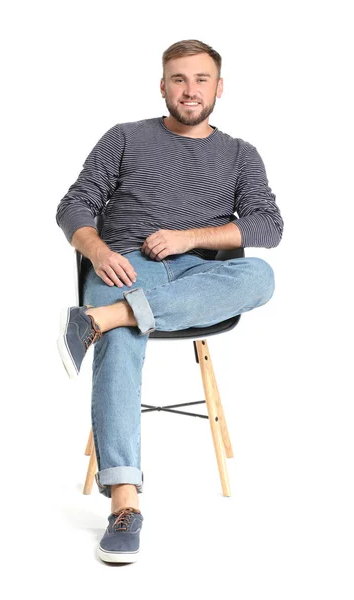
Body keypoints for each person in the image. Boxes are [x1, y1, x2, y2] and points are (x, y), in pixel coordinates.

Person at [56, 39, 284, 564]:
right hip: (124, 262)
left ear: (219, 88)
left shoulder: (240, 154)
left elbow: (268, 227)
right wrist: (97, 249)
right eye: (179, 79)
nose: (190, 90)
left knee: (262, 276)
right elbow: (75, 204)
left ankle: (100, 319)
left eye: (201, 79)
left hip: (202, 270)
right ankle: (124, 503)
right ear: (162, 86)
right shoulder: (126, 137)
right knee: (123, 340)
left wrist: (188, 238)